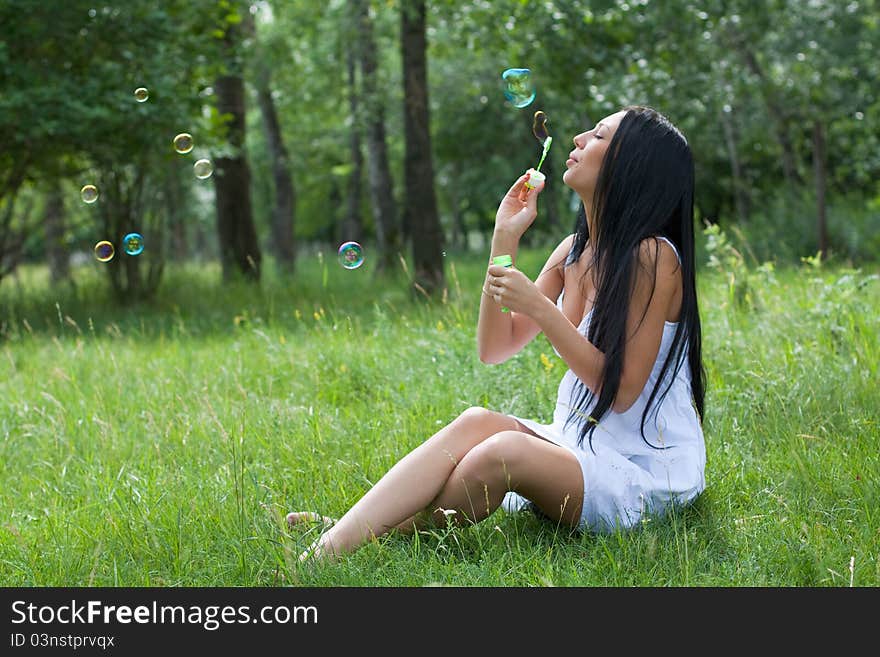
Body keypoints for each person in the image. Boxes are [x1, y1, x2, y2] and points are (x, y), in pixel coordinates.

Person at [288, 105, 706, 560]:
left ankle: (341, 543)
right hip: (580, 443)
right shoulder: (574, 251)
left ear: (631, 166)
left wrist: (543, 313)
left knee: (503, 451)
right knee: (476, 421)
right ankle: (351, 532)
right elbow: (494, 347)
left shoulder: (651, 257)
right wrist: (503, 239)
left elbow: (621, 391)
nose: (578, 138)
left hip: (641, 469)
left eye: (599, 135)